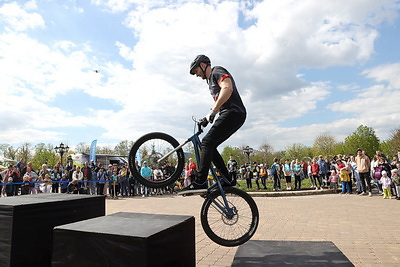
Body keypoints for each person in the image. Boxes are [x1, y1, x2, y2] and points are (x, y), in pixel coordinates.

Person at [179, 55, 246, 194]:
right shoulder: (210, 81)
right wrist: (208, 116)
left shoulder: (217, 71)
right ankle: (227, 178)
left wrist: (213, 111)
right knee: (210, 144)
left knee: (206, 142)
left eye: (196, 70)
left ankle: (200, 181)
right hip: (229, 113)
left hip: (234, 112)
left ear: (203, 65)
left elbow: (227, 88)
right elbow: (219, 102)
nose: (196, 75)